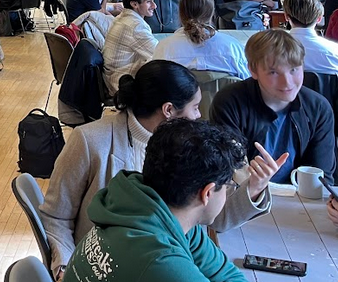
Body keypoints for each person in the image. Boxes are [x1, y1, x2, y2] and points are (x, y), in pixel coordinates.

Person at [42, 61, 273, 277]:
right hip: (107, 268)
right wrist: (67, 269)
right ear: (169, 110)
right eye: (194, 107)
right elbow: (56, 215)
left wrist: (253, 189)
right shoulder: (90, 140)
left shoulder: (189, 149)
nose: (199, 115)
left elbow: (207, 216)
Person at [61, 118, 250, 282]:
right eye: (228, 186)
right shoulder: (161, 262)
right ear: (207, 193)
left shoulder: (143, 205)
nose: (228, 191)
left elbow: (226, 274)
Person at [211, 29, 337, 183]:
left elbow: (321, 176)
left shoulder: (318, 108)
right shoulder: (229, 102)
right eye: (273, 73)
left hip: (299, 197)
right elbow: (230, 172)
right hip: (247, 193)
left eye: (294, 70)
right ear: (253, 70)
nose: (288, 83)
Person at [152, 0, 249, 80]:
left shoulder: (164, 48)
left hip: (180, 97)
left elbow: (156, 85)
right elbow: (248, 81)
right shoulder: (233, 47)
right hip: (224, 97)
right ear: (212, 13)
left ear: (180, 13)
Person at [282, 0, 338, 86]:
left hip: (284, 100)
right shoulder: (337, 51)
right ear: (319, 18)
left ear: (286, 17)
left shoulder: (268, 50)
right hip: (329, 101)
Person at [101, 0, 159, 95]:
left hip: (113, 76)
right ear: (134, 4)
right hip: (121, 83)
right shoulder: (135, 26)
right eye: (148, 2)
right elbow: (160, 53)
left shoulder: (123, 17)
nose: (154, 6)